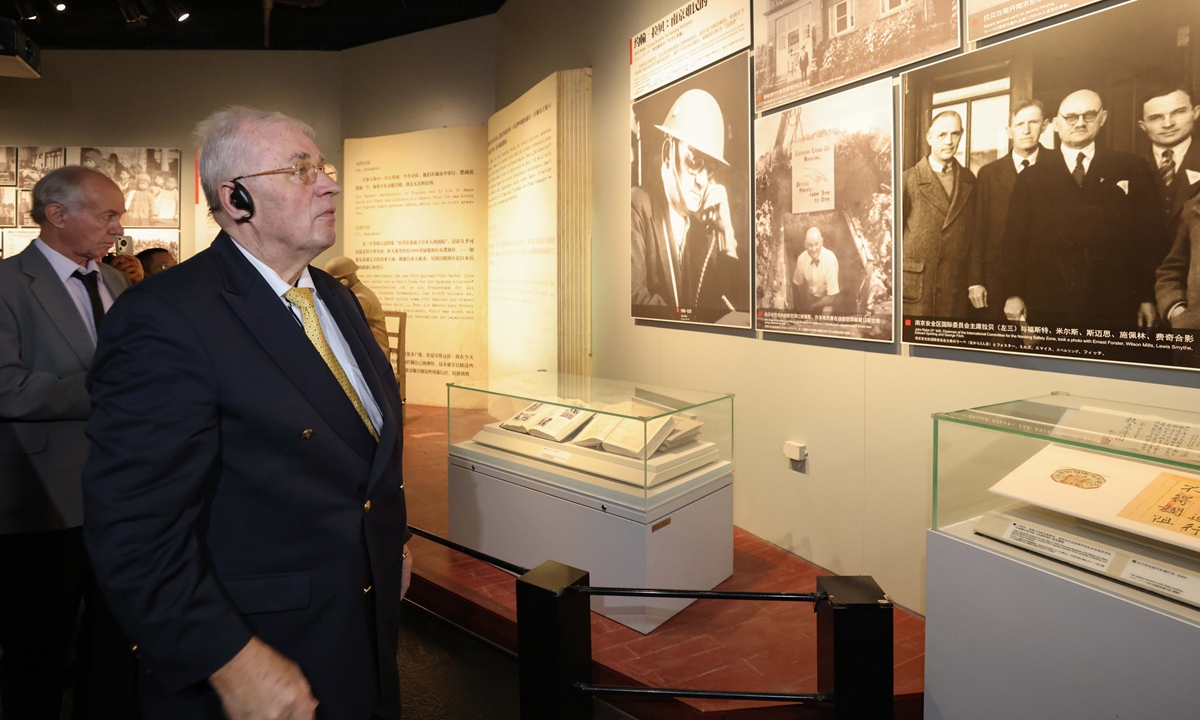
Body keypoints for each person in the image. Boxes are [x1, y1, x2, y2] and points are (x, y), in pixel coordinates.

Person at [82, 107, 411, 720]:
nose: (330, 182)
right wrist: (227, 658)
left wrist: (391, 537)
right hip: (258, 652)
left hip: (356, 631)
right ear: (236, 199)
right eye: (299, 169)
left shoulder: (332, 297)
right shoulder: (166, 317)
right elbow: (132, 524)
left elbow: (359, 452)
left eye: (324, 166)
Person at [0, 165, 139, 720]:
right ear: (57, 216)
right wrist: (109, 390)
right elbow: (8, 388)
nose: (118, 228)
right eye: (108, 215)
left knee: (111, 648)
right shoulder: (8, 285)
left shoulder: (117, 283)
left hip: (118, 499)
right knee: (37, 652)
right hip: (43, 505)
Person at [1001, 89, 1167, 327]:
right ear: (1056, 124)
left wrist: (1147, 297)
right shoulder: (1031, 176)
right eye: (1071, 117)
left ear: (1103, 118)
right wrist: (1013, 294)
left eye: (1088, 115)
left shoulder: (1130, 167)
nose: (1079, 123)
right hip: (1050, 303)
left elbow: (1149, 238)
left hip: (1115, 304)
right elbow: (1014, 240)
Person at [632, 89, 742, 319]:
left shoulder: (702, 230)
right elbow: (636, 302)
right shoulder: (637, 207)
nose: (702, 180)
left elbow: (731, 309)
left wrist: (726, 235)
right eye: (694, 162)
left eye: (709, 168)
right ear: (667, 153)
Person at [967, 100, 1052, 315]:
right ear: (1009, 131)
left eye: (1033, 122)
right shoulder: (989, 173)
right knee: (1000, 344)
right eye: (1019, 124)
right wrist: (975, 280)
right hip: (997, 279)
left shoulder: (1057, 166)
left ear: (1044, 126)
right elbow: (978, 230)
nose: (1026, 130)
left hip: (1045, 281)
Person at [901, 110, 976, 317]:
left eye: (955, 134)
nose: (949, 141)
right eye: (942, 135)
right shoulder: (907, 180)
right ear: (929, 138)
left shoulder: (970, 180)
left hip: (954, 290)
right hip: (918, 290)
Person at [1139, 83, 1200, 235]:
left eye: (1178, 112)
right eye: (1156, 118)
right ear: (1143, 125)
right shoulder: (1129, 167)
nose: (1168, 124)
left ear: (1196, 112)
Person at [325, 256, 391, 362]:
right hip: (362, 349)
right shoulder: (352, 294)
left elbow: (348, 325)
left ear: (344, 281)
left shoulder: (361, 297)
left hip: (374, 355)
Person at [791, 226, 839, 314]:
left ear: (822, 242)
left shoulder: (830, 259)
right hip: (810, 297)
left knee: (825, 317)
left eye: (816, 244)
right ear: (805, 244)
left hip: (828, 300)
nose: (814, 249)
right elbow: (797, 284)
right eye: (810, 245)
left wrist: (813, 305)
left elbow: (832, 297)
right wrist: (803, 301)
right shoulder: (801, 259)